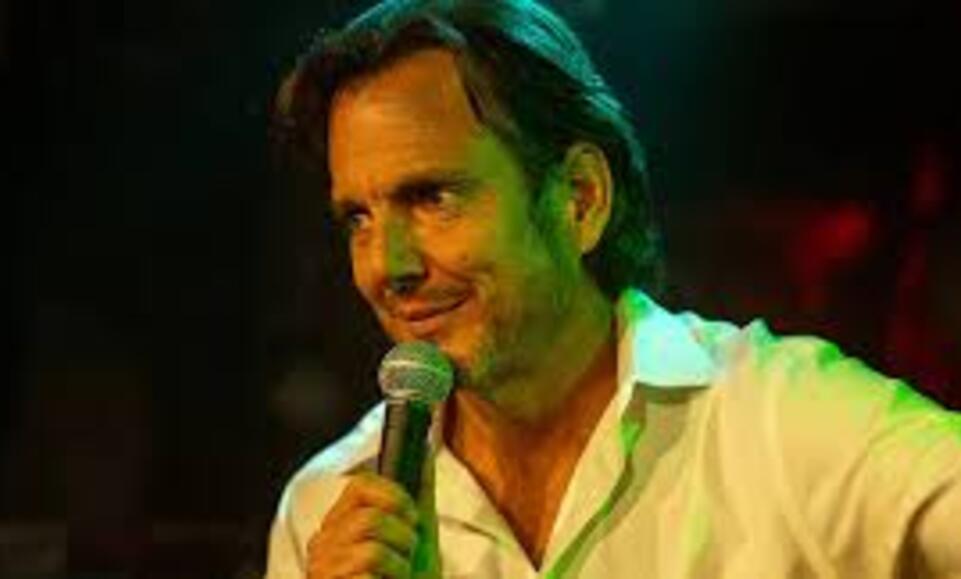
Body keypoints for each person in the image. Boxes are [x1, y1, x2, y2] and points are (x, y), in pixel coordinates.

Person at [264, 1, 961, 577]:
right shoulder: (326, 510)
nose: (386, 265)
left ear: (579, 197)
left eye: (432, 197)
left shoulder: (776, 419)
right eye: (357, 218)